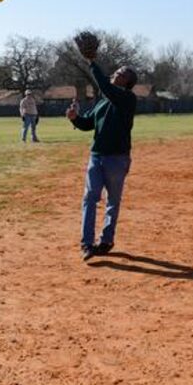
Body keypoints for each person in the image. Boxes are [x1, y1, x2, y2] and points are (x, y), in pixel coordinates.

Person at [66, 61, 138, 261]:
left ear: (128, 82)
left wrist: (92, 62)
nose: (116, 72)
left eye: (121, 73)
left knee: (112, 201)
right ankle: (87, 244)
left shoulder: (127, 98)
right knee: (90, 198)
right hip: (96, 156)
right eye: (117, 70)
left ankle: (106, 241)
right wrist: (74, 118)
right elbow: (88, 123)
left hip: (117, 158)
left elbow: (104, 85)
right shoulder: (103, 100)